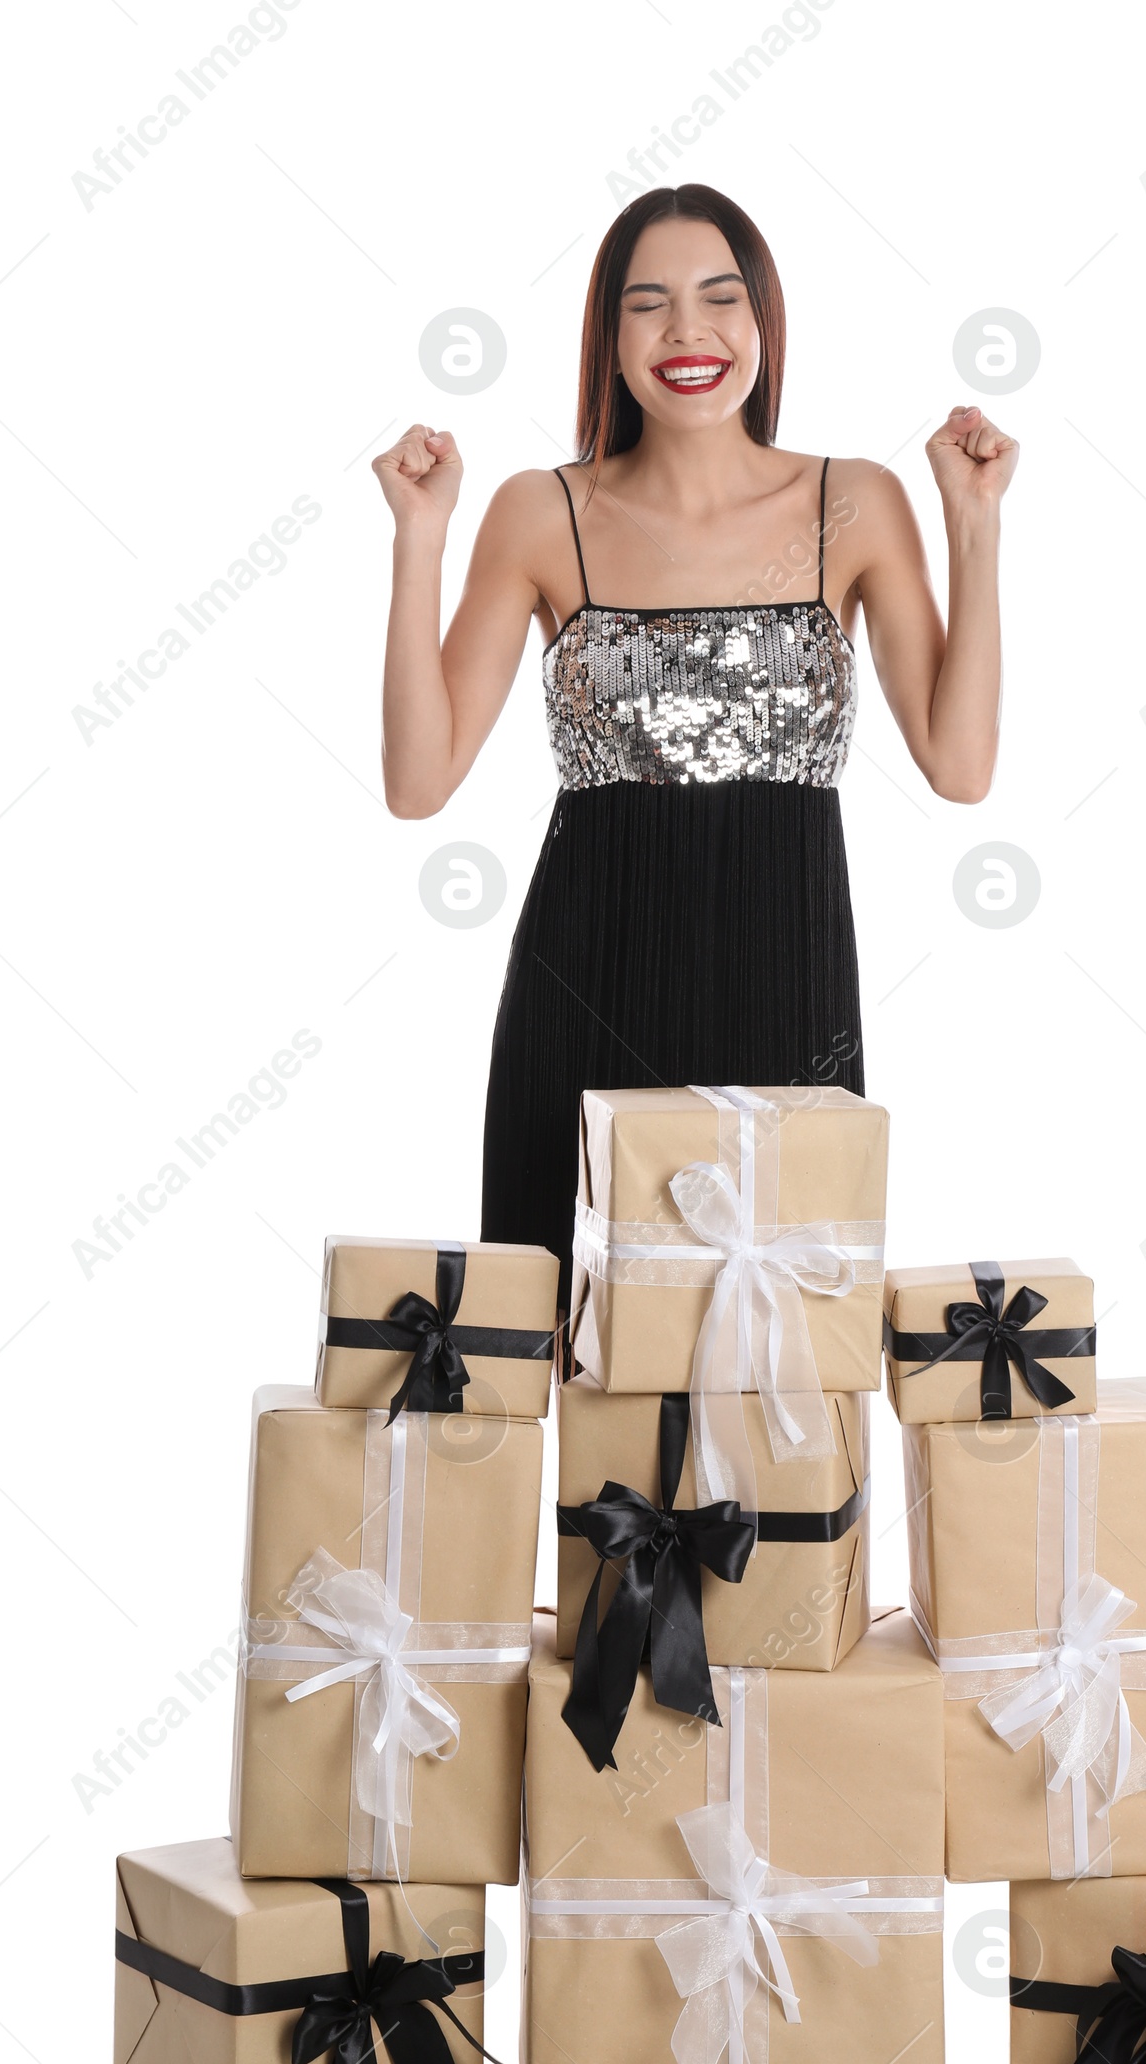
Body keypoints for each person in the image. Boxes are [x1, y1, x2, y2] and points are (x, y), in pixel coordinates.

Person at [373, 182, 1016, 1313]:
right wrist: (418, 540)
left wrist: (974, 522)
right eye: (648, 305)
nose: (687, 332)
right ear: (607, 340)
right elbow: (419, 784)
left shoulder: (853, 501)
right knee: (585, 1364)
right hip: (585, 981)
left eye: (720, 297)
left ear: (762, 323)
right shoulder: (540, 511)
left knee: (782, 1365)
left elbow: (959, 766)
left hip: (787, 993)